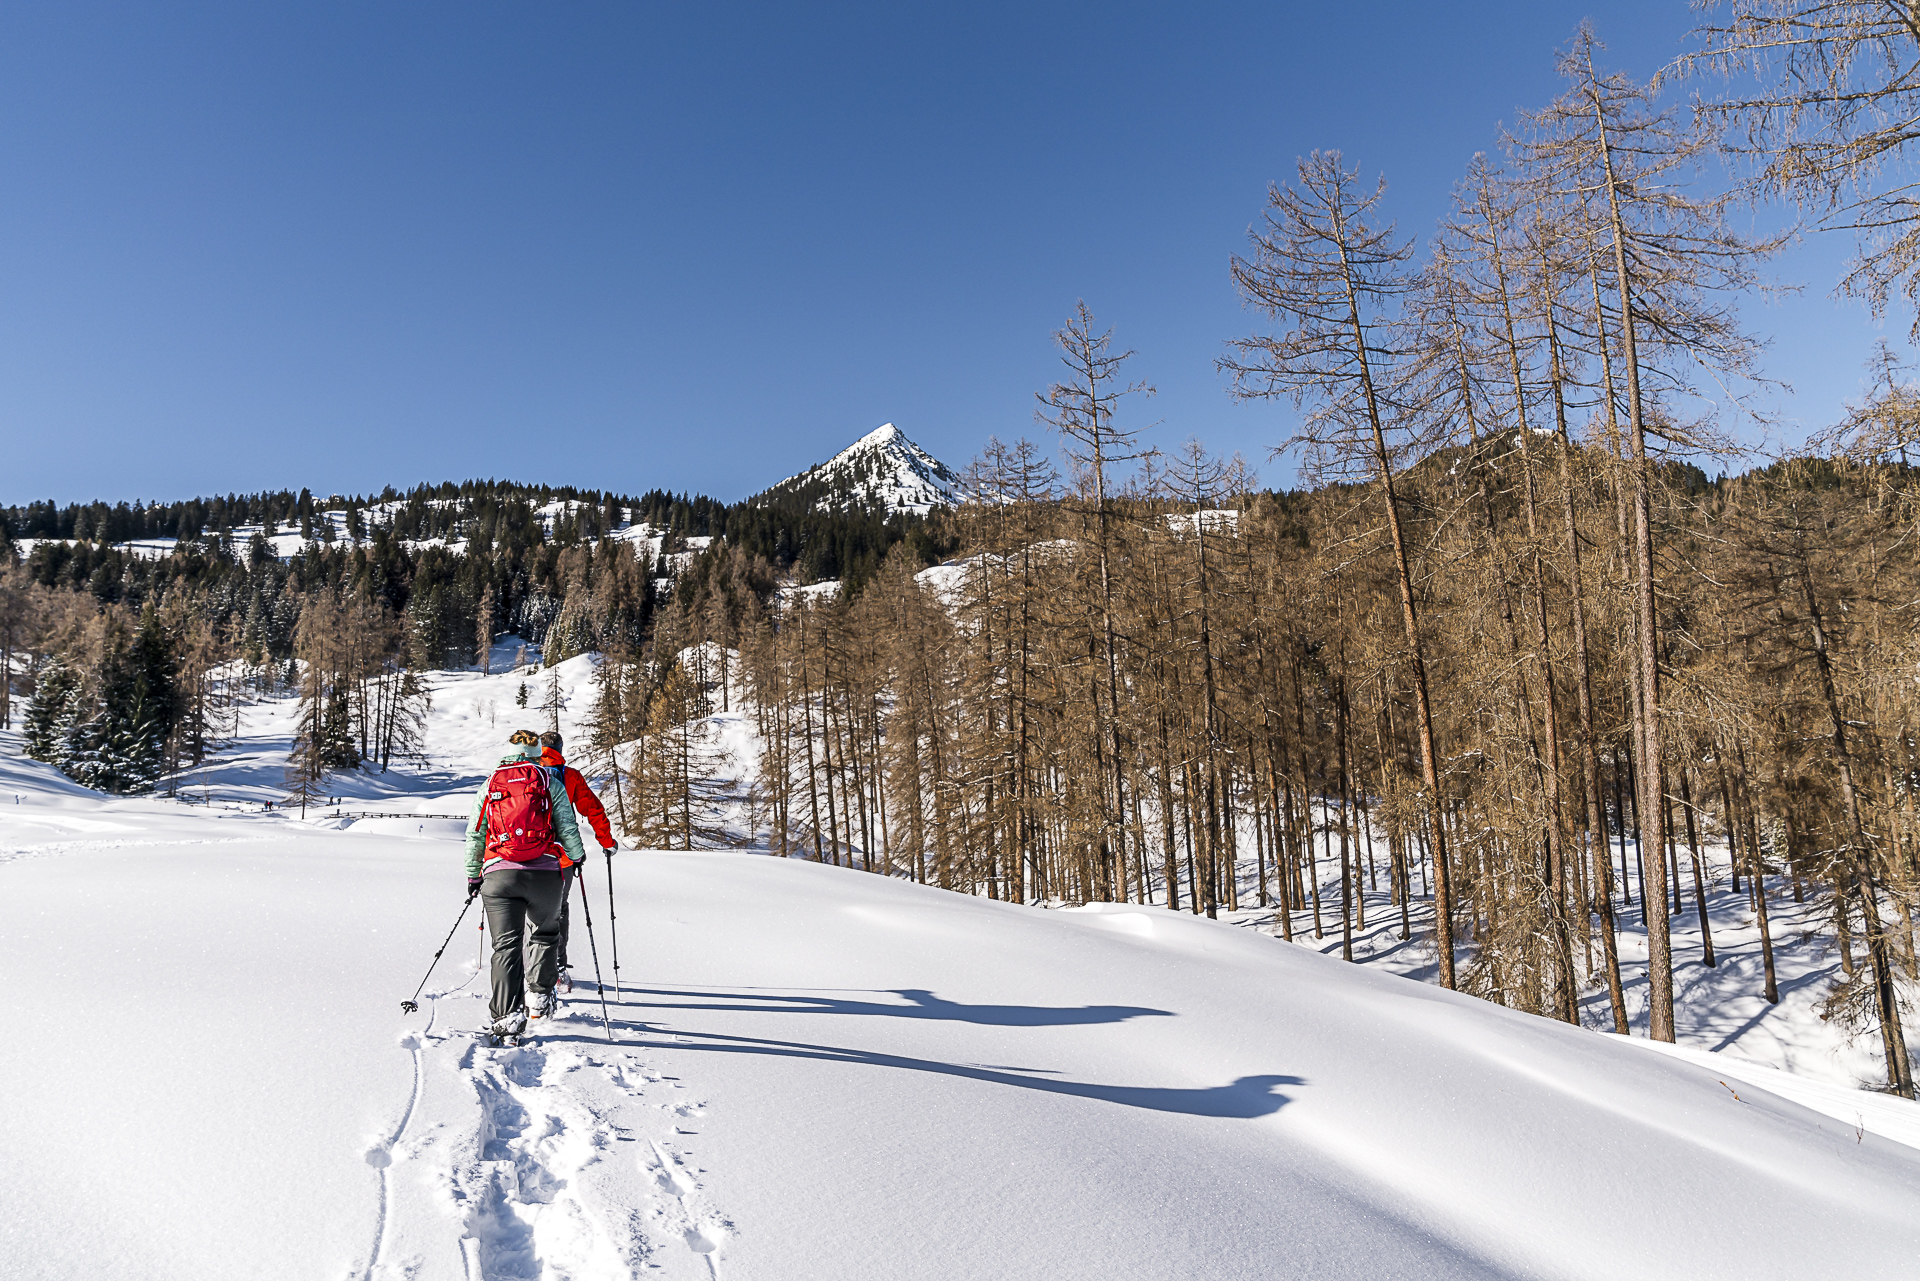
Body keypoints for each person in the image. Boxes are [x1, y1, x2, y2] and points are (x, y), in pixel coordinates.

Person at [464, 729, 589, 1041]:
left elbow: (475, 833)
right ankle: (539, 999)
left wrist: (473, 875)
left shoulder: (492, 782)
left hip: (499, 875)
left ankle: (507, 1016)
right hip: (545, 874)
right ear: (536, 753)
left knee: (506, 946)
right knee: (545, 935)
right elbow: (567, 825)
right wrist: (576, 856)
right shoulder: (550, 781)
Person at [537, 730, 618, 989]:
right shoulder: (569, 776)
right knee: (557, 910)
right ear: (560, 749)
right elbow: (592, 809)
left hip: (521, 854)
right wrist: (607, 842)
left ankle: (525, 968)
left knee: (524, 910)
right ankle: (558, 970)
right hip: (560, 857)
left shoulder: (522, 773)